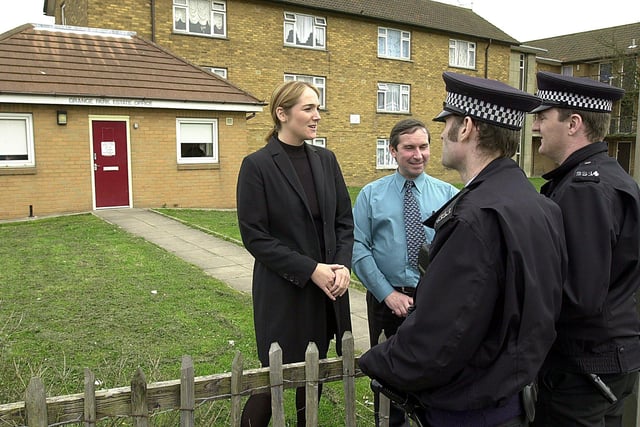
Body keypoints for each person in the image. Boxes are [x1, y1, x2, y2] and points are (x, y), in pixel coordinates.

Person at [358, 71, 567, 427]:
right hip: (512, 396)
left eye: (447, 123)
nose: (439, 134)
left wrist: (374, 362)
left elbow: (441, 336)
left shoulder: (473, 218)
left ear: (467, 126)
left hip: (470, 407)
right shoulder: (540, 206)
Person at [236, 80, 354, 426]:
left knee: (312, 372)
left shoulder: (326, 159)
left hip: (328, 289)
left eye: (318, 108)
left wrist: (342, 267)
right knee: (272, 377)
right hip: (284, 291)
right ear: (282, 113)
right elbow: (255, 236)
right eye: (309, 109)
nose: (317, 116)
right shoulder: (257, 165)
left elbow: (344, 221)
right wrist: (310, 269)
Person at [531, 71, 640, 427]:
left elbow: (577, 294)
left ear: (573, 123)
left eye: (543, 116)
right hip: (610, 358)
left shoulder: (584, 189)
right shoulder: (613, 176)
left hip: (583, 367)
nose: (536, 125)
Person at [352, 118, 458, 426]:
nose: (418, 155)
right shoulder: (371, 195)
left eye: (423, 147)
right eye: (409, 148)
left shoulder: (449, 194)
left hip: (433, 302)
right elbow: (359, 248)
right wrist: (388, 294)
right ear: (393, 151)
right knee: (388, 378)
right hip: (386, 303)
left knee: (433, 372)